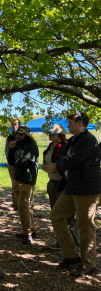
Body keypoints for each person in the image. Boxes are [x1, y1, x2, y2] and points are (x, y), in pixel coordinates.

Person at [51, 112, 101, 277]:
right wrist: (62, 161)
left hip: (86, 189)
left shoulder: (88, 140)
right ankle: (71, 256)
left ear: (80, 123)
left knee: (85, 226)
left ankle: (89, 263)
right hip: (72, 187)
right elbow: (60, 160)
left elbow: (68, 161)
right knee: (56, 216)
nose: (68, 126)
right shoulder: (73, 140)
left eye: (70, 123)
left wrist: (62, 161)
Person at [42, 124, 80, 252]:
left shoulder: (65, 146)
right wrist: (50, 166)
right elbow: (44, 165)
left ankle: (75, 246)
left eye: (52, 133)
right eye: (49, 133)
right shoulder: (50, 146)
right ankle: (61, 243)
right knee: (55, 214)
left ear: (59, 135)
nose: (49, 135)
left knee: (68, 216)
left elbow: (57, 166)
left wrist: (51, 166)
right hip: (52, 182)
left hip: (63, 183)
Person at [7, 125, 39, 244]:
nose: (18, 136)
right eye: (17, 134)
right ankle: (32, 230)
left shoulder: (32, 146)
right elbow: (11, 161)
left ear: (27, 135)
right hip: (17, 178)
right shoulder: (17, 145)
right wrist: (11, 149)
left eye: (21, 134)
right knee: (24, 207)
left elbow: (24, 162)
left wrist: (15, 163)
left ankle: (27, 234)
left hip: (27, 179)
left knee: (22, 206)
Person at [5, 119, 21, 211]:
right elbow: (7, 150)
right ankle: (15, 203)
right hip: (12, 163)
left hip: (22, 163)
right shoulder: (9, 137)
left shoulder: (24, 136)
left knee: (22, 183)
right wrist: (9, 161)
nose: (14, 126)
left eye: (16, 124)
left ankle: (23, 203)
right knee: (14, 182)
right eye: (12, 124)